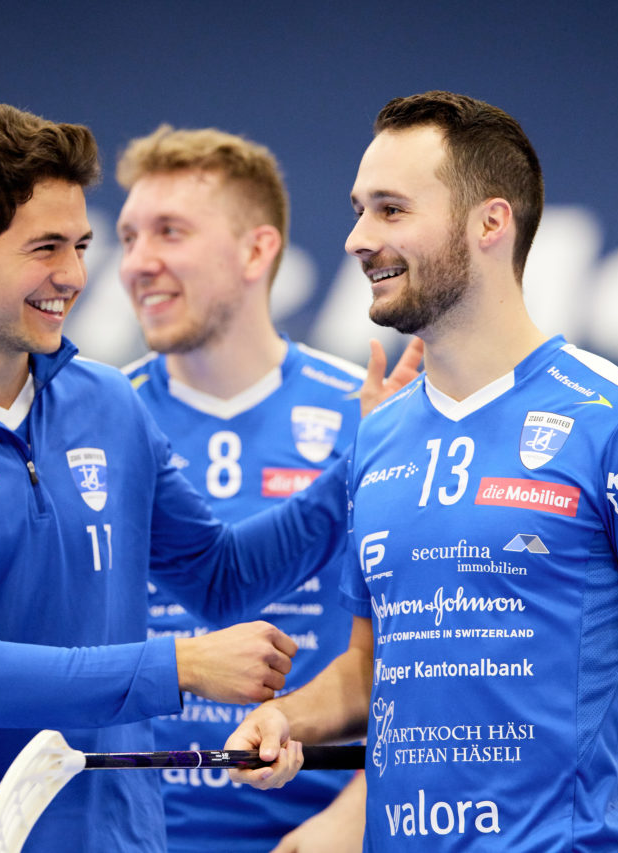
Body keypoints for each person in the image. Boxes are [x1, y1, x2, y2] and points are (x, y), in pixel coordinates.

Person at [0, 104, 414, 853]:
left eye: (82, 245)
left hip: (119, 839)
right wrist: (182, 665)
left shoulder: (108, 401)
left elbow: (220, 578)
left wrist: (359, 460)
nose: (76, 276)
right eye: (46, 248)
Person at [225, 91, 618, 852]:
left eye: (391, 210)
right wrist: (284, 716)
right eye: (360, 211)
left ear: (491, 223)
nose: (358, 238)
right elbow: (370, 666)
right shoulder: (376, 438)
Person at [116, 124, 421, 852]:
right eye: (126, 238)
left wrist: (349, 823)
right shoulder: (94, 423)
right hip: (133, 832)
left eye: (169, 231)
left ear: (257, 251)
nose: (136, 263)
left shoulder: (371, 412)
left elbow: (424, 659)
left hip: (322, 832)